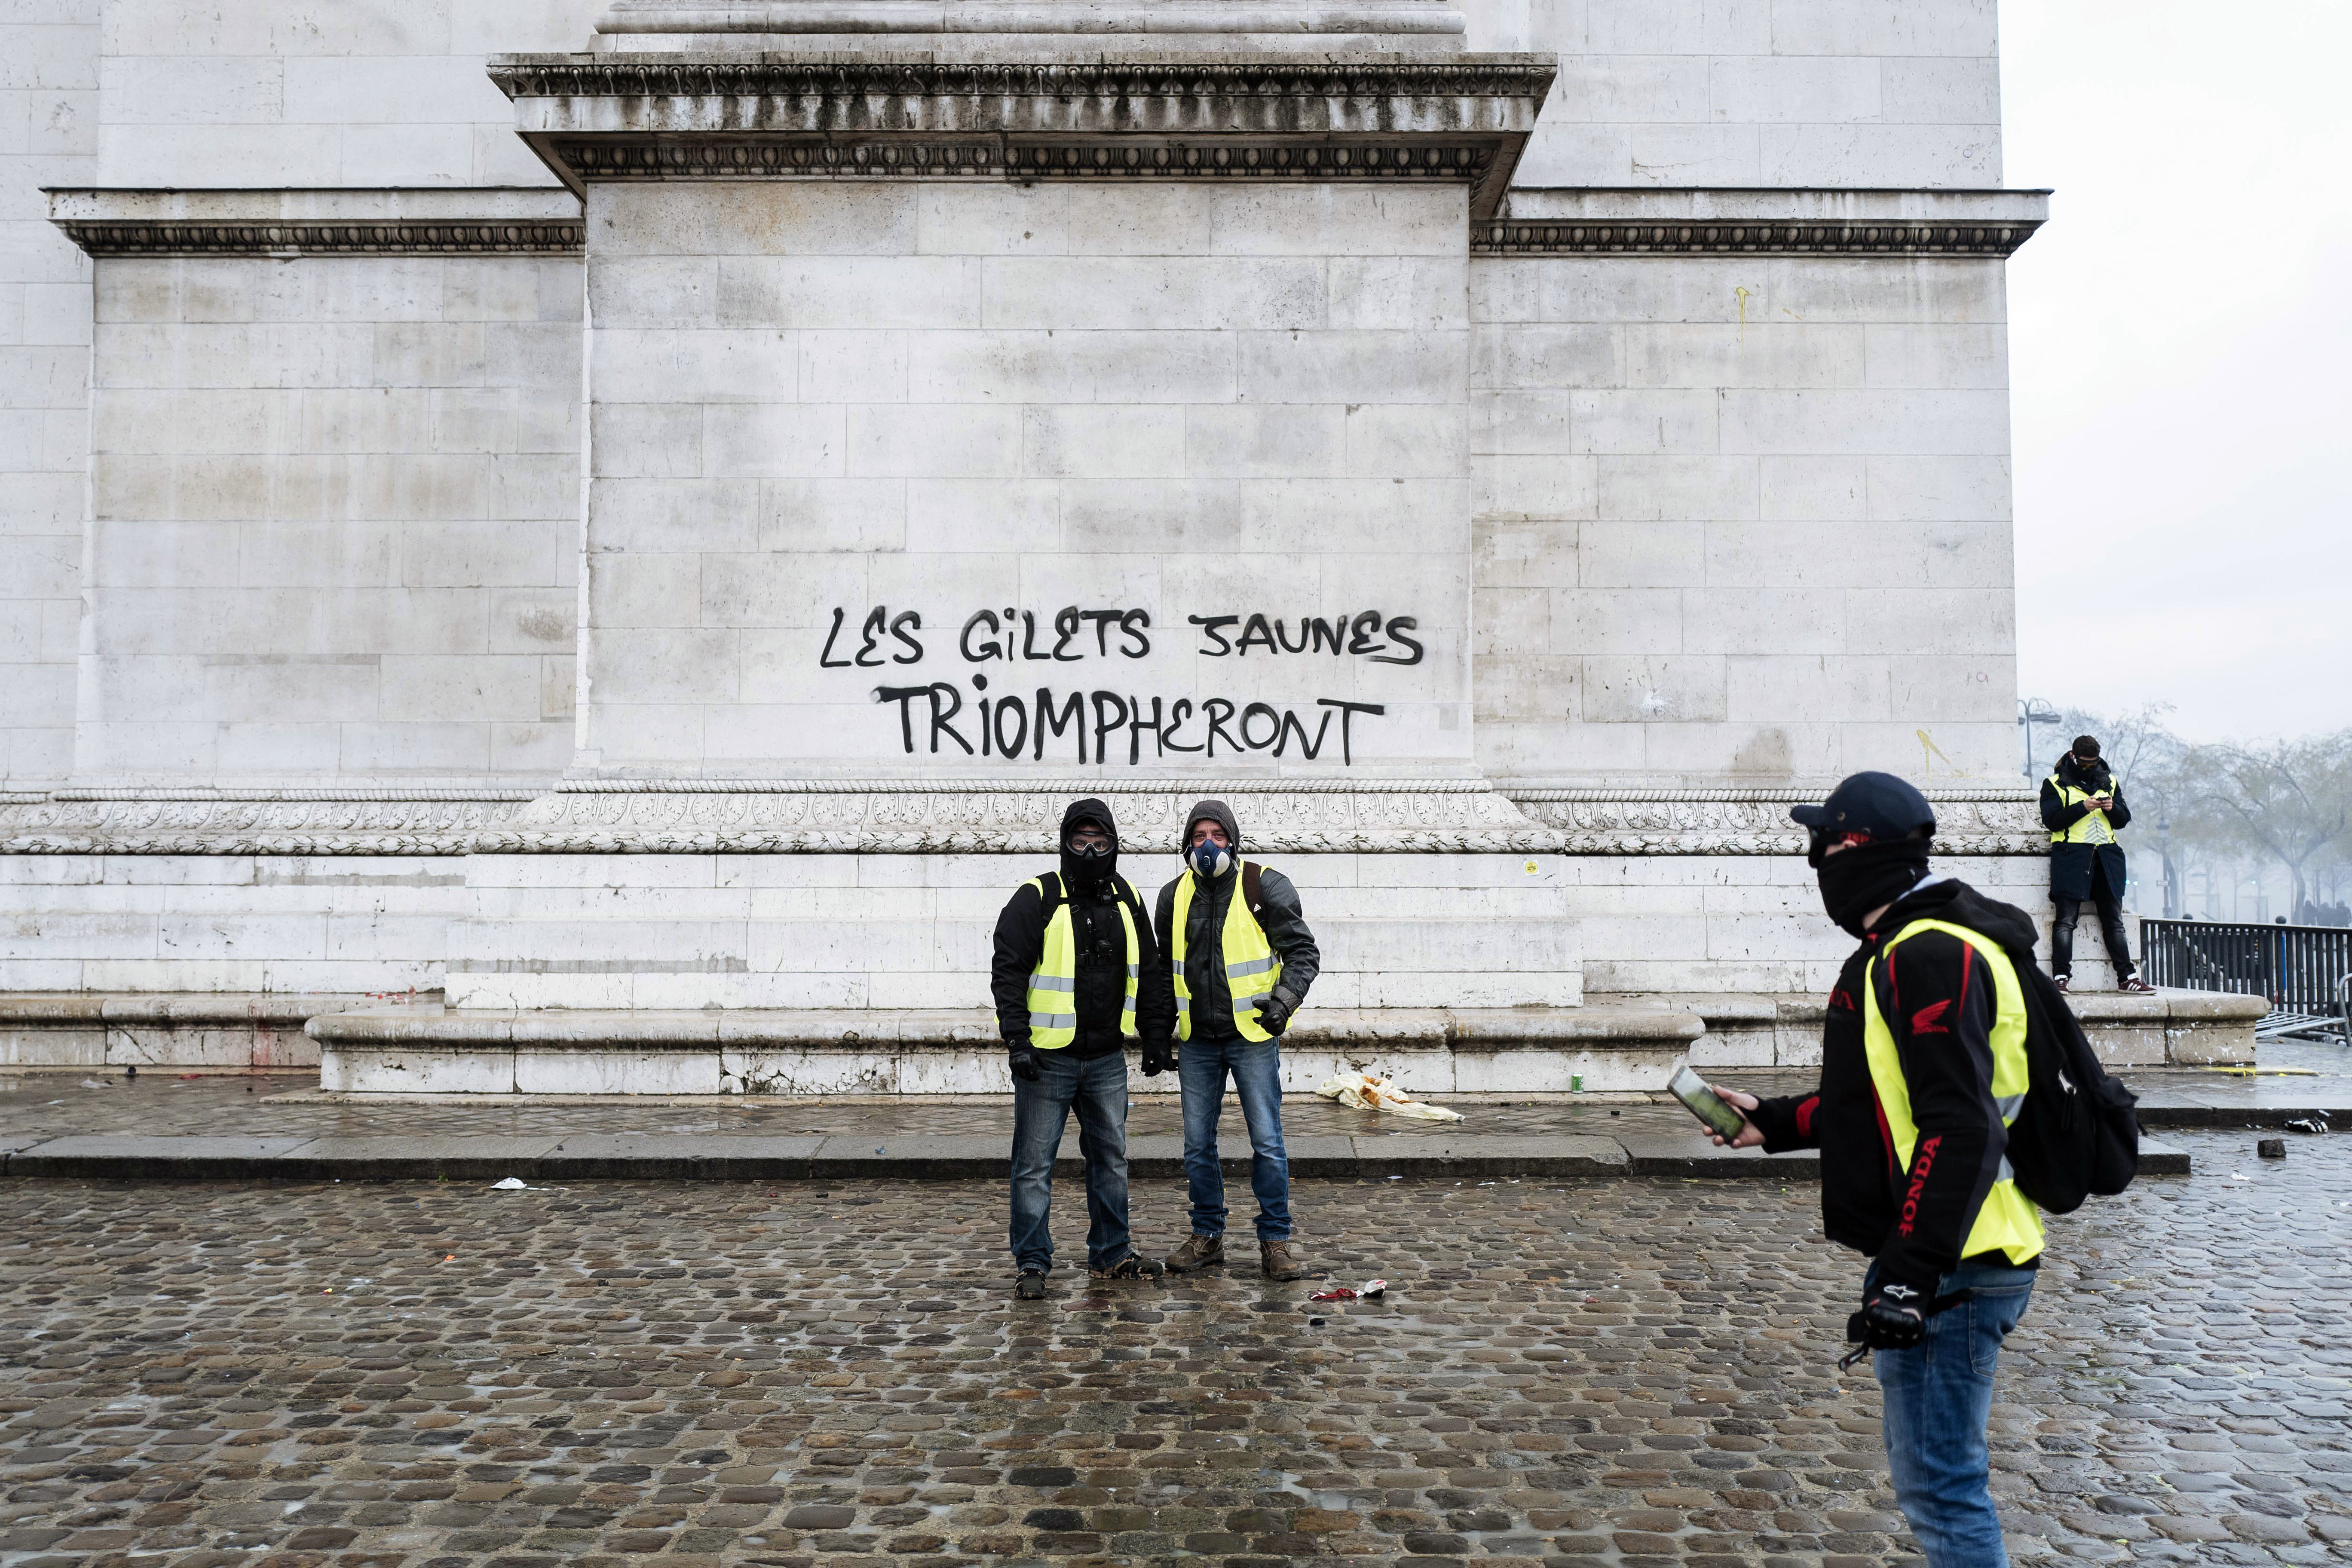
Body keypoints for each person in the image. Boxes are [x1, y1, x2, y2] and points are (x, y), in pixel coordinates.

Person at [1706, 772, 2049, 1568]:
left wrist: (1906, 1273)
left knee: (1942, 1487)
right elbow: (1883, 1102)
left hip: (1957, 1261)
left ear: (1852, 851)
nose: (1812, 862)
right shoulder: (1921, 942)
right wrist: (1778, 1119)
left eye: (1820, 844)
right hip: (1964, 1249)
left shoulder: (1927, 953)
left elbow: (1959, 1124)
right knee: (1941, 1481)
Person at [990, 797, 1174, 1299]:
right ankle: (1032, 1262)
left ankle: (1112, 1255)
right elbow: (1008, 971)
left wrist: (1157, 1034)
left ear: (1114, 845)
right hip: (1047, 1060)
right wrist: (1017, 1040)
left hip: (1107, 1059)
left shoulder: (1127, 896)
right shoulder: (1037, 897)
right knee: (1033, 1166)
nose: (1091, 851)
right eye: (1081, 842)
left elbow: (1152, 970)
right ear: (1066, 844)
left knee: (1111, 1158)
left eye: (1101, 843)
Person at [1148, 799, 1322, 1281]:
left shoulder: (1265, 885)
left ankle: (1276, 1239)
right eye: (1200, 835)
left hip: (1252, 1035)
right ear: (1187, 843)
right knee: (1197, 1146)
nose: (1208, 844)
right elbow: (1164, 971)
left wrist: (1283, 1002)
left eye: (1218, 835)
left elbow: (1303, 953)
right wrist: (1158, 1033)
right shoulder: (1172, 896)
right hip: (1198, 1041)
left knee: (1267, 1143)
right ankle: (1207, 1236)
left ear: (1233, 841)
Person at [2040, 735, 2153, 994]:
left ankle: (2127, 978)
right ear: (2073, 757)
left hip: (2107, 859)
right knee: (2066, 921)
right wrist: (2084, 807)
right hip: (2071, 858)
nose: (2090, 767)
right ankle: (2061, 977)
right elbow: (2052, 821)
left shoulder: (2110, 781)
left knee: (2114, 920)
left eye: (2094, 762)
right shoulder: (2054, 784)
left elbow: (2124, 820)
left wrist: (2112, 808)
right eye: (2085, 763)